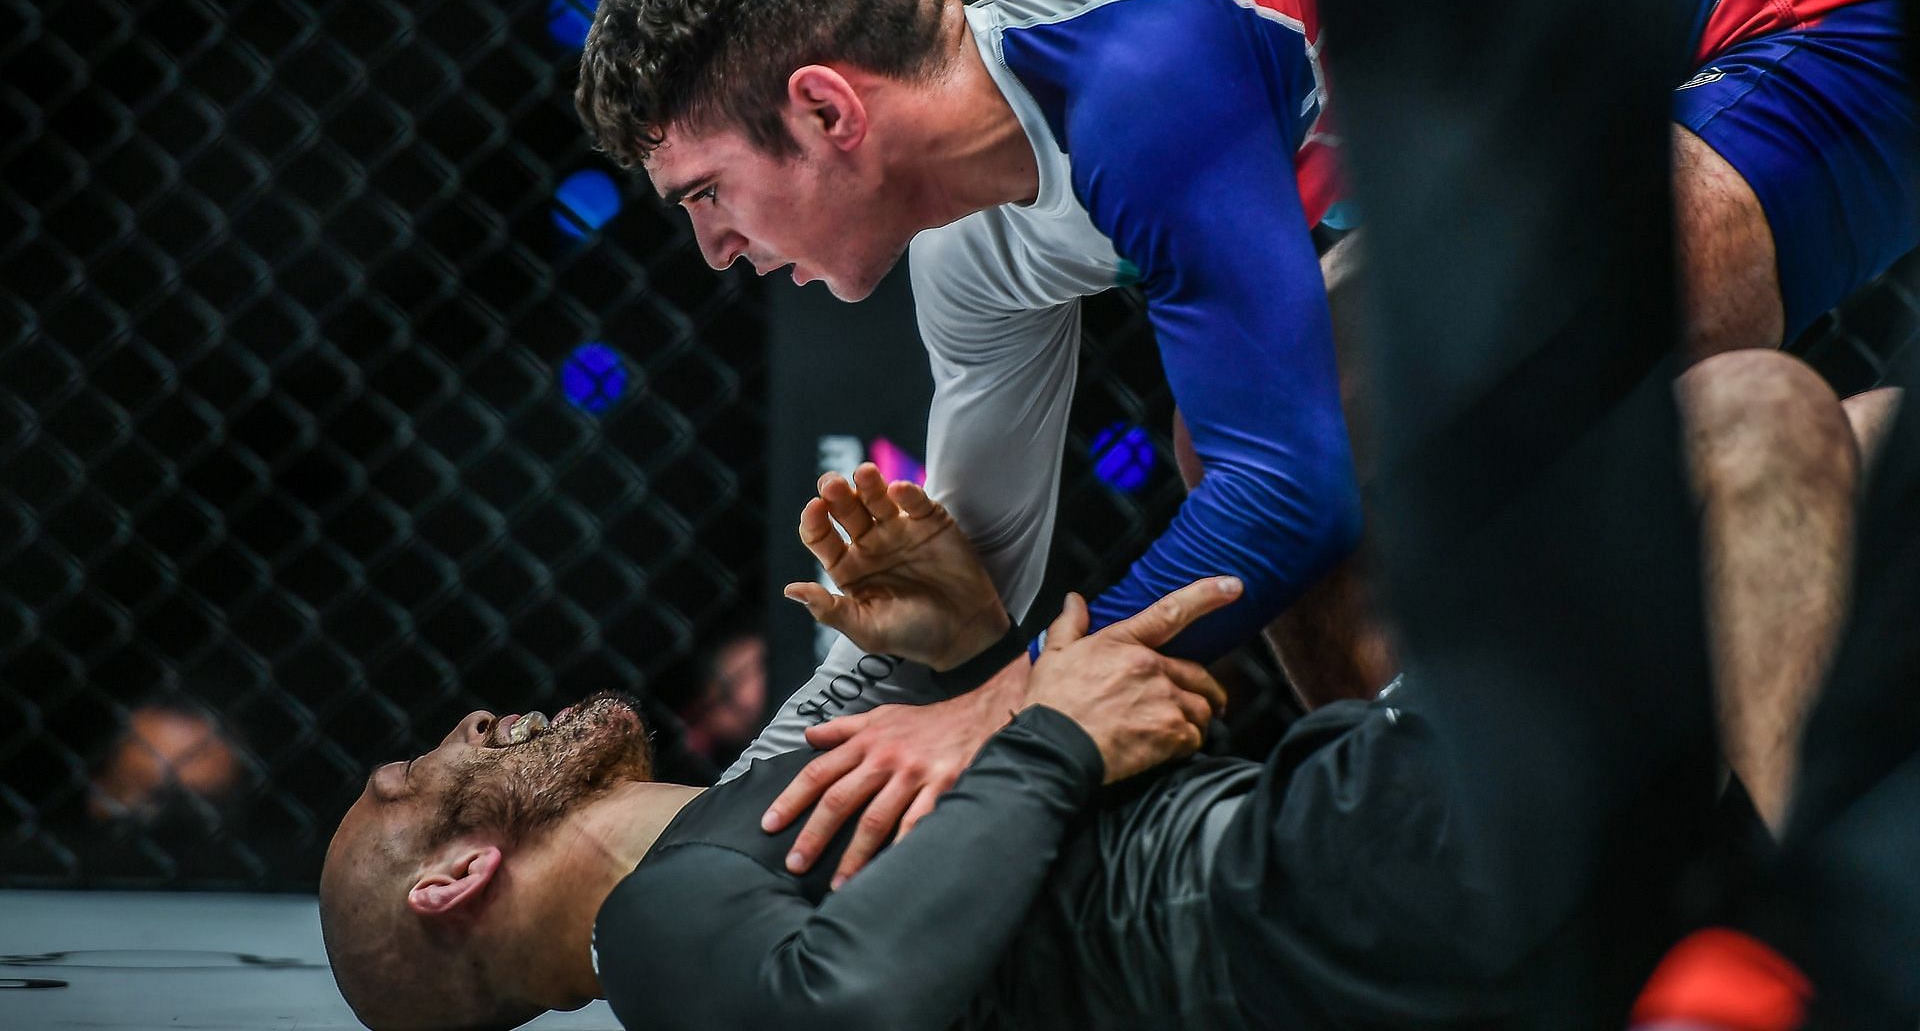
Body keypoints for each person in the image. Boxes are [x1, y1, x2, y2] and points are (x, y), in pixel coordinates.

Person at [573, 0, 1916, 882]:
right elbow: (974, 601)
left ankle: (1758, 912)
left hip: (1792, 22)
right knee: (1264, 451)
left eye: (707, 195)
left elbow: (1293, 497)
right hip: (1546, 142)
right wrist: (704, 845)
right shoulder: (972, 252)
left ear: (824, 110)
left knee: (1347, 430)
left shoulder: (1143, 70)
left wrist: (1012, 704)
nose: (714, 254)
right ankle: (1477, 879)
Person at [318, 352, 1879, 1031]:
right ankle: (1835, 949)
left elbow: (969, 913)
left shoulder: (731, 838)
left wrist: (972, 653)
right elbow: (846, 1005)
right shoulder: (650, 932)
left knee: (1869, 444)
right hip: (1325, 903)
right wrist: (1051, 722)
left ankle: (1785, 890)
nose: (463, 728)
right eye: (414, 779)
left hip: (1355, 855)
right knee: (1749, 422)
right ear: (459, 880)